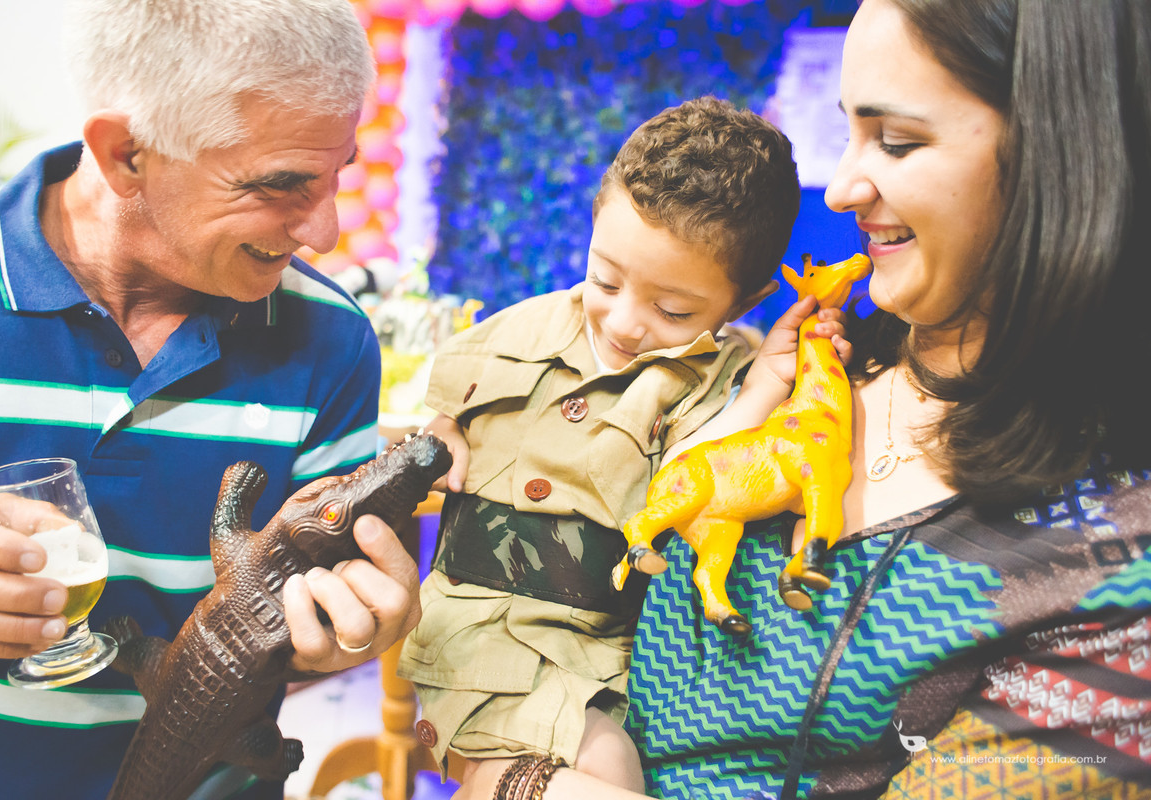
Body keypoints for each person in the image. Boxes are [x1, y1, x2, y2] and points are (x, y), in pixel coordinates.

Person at [461, 1, 1151, 799]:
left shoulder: (1113, 564)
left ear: (1060, 152)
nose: (843, 189)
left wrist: (521, 785)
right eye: (849, 132)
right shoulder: (793, 372)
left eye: (897, 141)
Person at [0, 2, 421, 799]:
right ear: (126, 153)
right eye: (280, 183)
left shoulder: (335, 339)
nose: (326, 231)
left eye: (338, 171)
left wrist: (351, 631)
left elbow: (309, 640)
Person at [397, 97, 851, 796]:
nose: (625, 322)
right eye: (605, 278)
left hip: (609, 655)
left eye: (673, 310)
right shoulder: (521, 328)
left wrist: (765, 384)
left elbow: (700, 474)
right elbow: (447, 411)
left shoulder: (726, 378)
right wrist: (440, 433)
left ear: (744, 300)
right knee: (610, 774)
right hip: (482, 638)